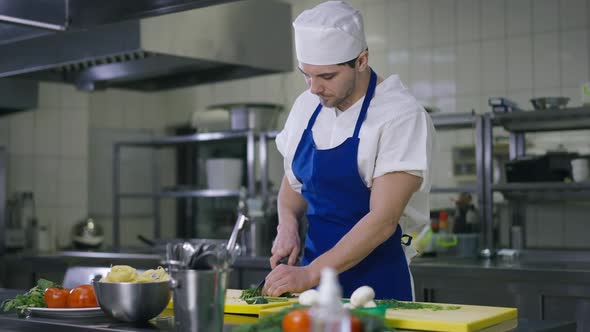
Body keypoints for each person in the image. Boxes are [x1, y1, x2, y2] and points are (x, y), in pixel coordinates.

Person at [262, 0, 436, 300]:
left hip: (377, 287)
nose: (314, 88)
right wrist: (287, 224)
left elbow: (382, 221)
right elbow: (294, 182)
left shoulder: (400, 115)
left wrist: (309, 273)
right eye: (306, 74)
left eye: (327, 76)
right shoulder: (307, 105)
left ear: (361, 60)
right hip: (312, 288)